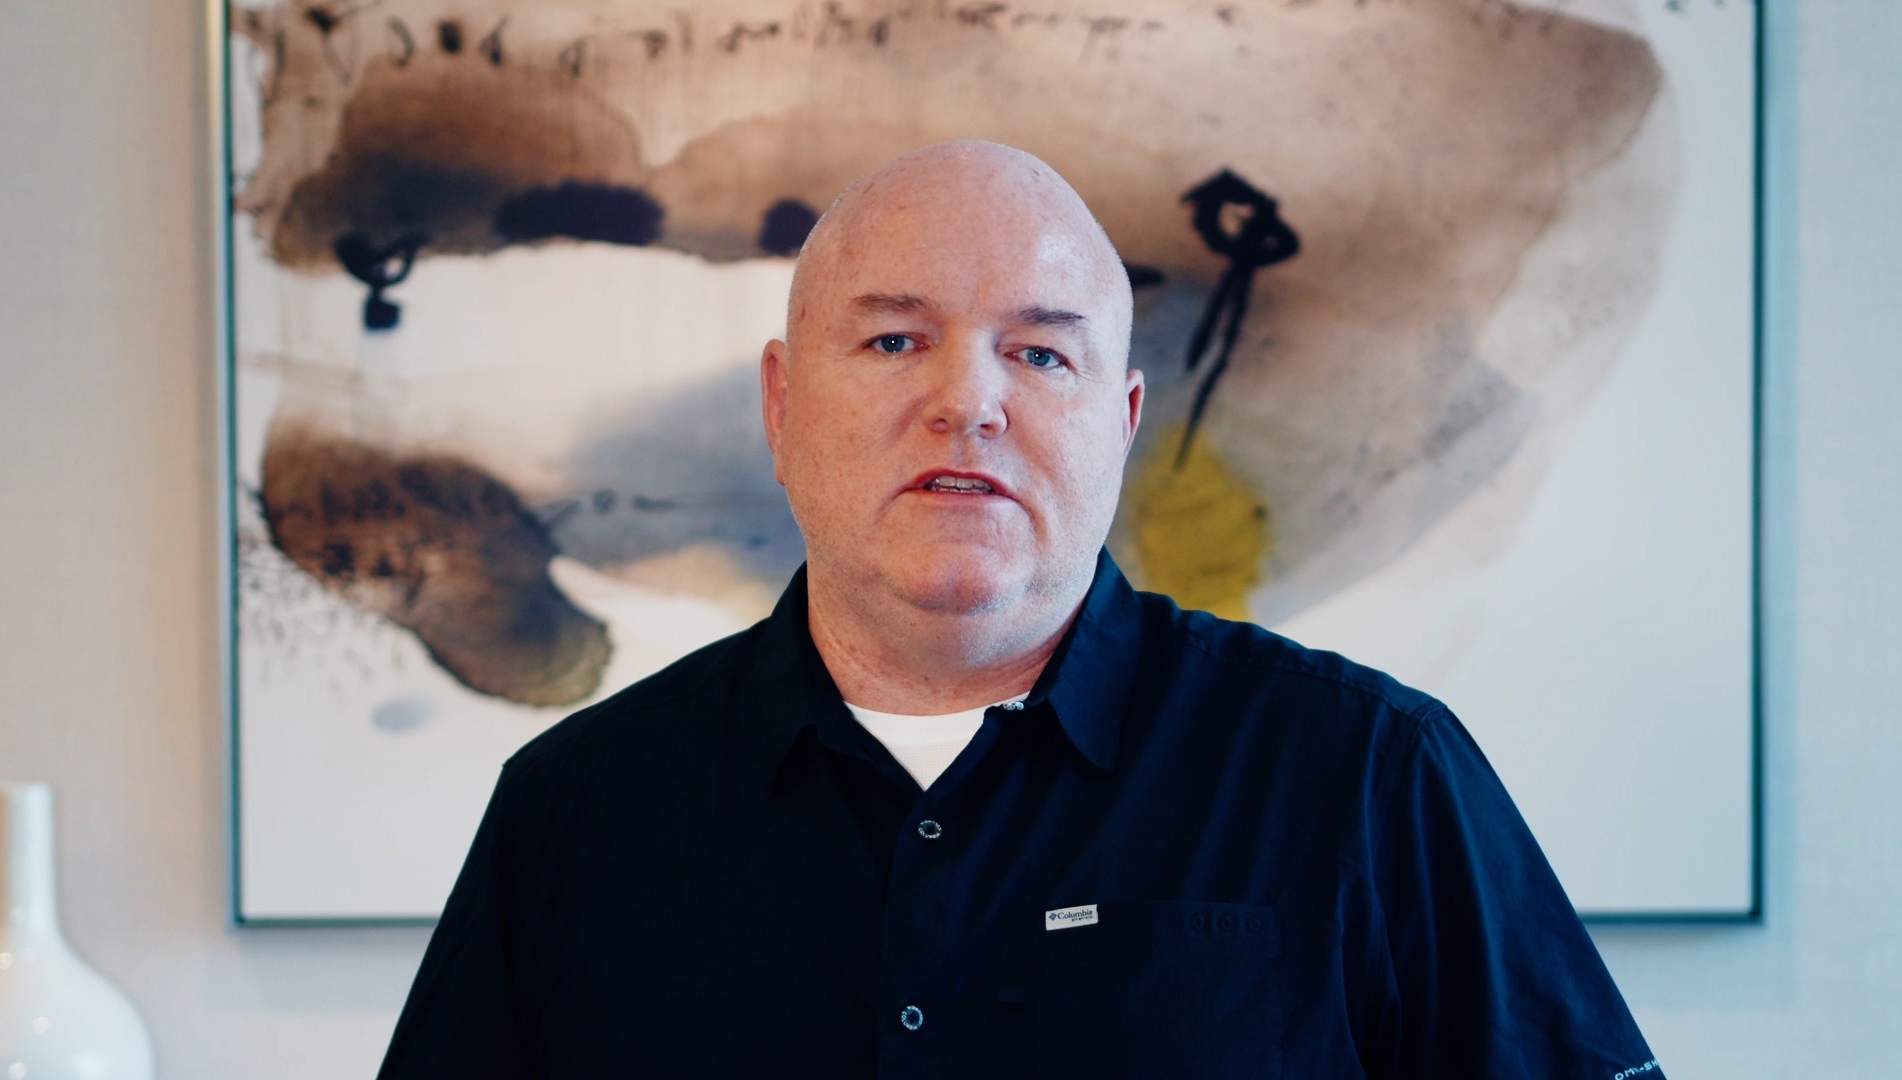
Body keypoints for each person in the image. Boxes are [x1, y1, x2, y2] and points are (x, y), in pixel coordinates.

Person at [377, 141, 1663, 1079]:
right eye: (894, 341)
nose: (968, 404)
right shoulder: (574, 813)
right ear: (781, 406)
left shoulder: (1369, 776)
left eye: (1041, 353)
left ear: (1122, 422)